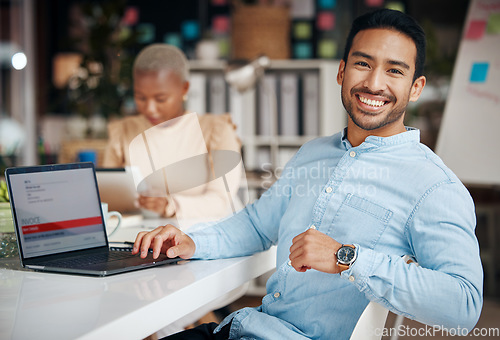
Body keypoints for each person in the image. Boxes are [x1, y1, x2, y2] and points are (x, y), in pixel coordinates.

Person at [133, 9, 483, 339]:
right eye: (363, 64)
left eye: (394, 71)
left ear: (416, 87)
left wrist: (346, 257)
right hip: (247, 326)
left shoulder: (433, 185)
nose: (374, 83)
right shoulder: (314, 153)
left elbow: (464, 305)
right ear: (342, 72)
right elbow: (257, 224)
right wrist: (192, 241)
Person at [103, 44, 242, 221]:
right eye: (140, 97)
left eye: (160, 99)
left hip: (201, 237)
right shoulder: (123, 132)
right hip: (138, 237)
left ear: (184, 89)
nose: (150, 109)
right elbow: (108, 197)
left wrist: (171, 205)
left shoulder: (217, 131)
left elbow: (221, 200)